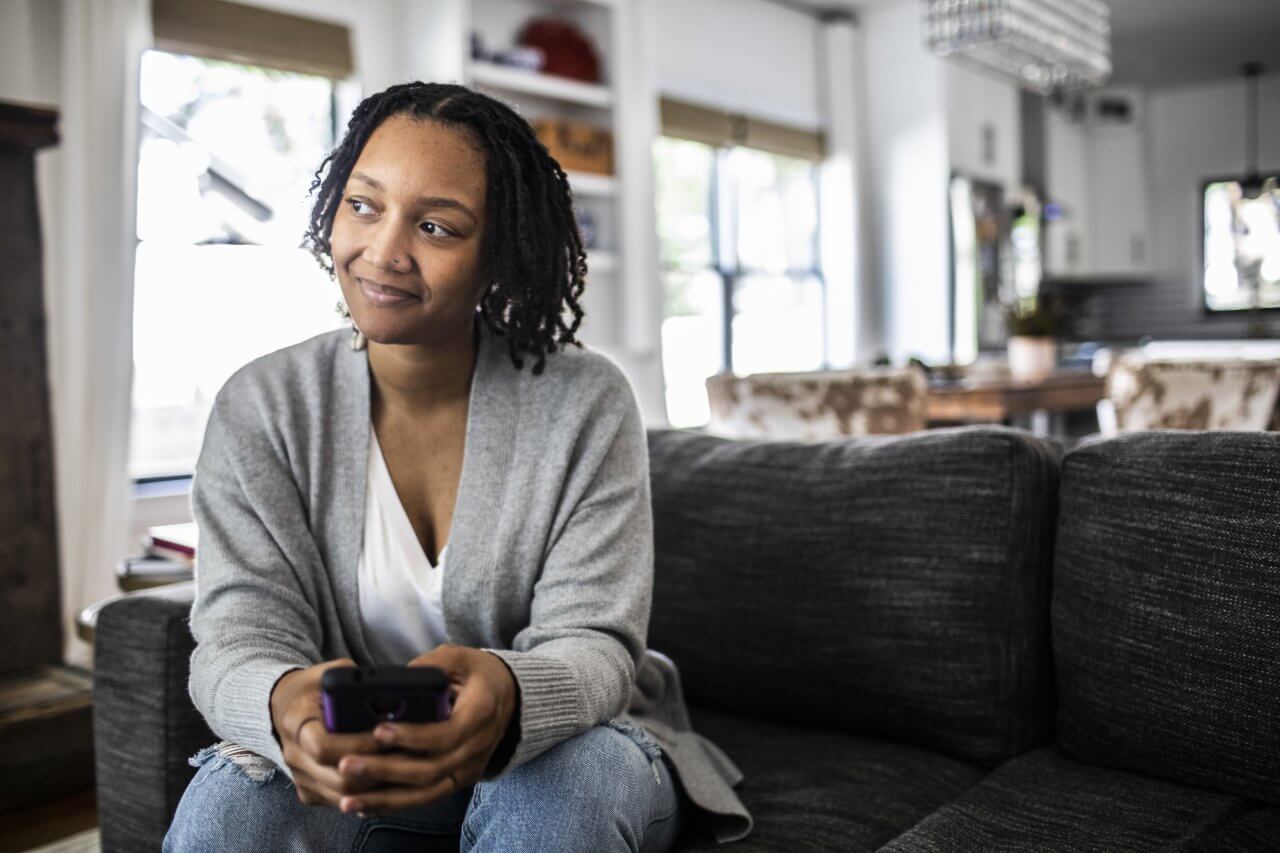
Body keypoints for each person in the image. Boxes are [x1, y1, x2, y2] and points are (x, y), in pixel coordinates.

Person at [163, 81, 752, 852]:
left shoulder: (585, 401)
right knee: (228, 812)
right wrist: (281, 703)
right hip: (356, 757)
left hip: (565, 744)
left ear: (497, 256)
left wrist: (510, 693)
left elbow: (597, 644)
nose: (383, 251)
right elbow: (237, 635)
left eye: (436, 226)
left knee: (566, 790)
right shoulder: (263, 405)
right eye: (364, 205)